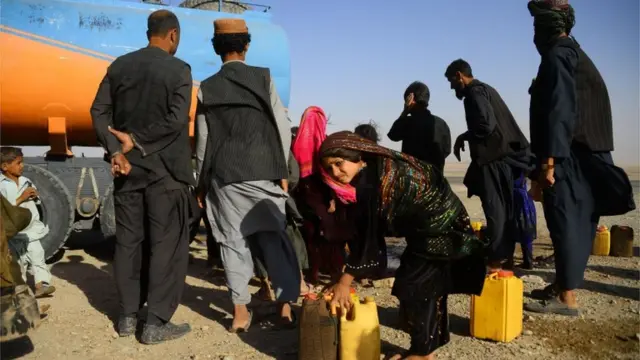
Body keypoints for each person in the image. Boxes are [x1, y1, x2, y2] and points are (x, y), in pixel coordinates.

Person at [320, 131, 487, 360]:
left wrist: (344, 280)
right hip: (436, 224)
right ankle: (426, 345)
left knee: (416, 286)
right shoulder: (374, 170)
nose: (336, 173)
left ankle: (421, 352)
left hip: (439, 227)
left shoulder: (371, 183)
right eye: (329, 169)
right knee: (425, 285)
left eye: (339, 164)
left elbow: (367, 238)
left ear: (358, 157)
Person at [525, 0, 636, 316]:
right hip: (584, 152)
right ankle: (564, 285)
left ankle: (567, 298)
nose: (534, 34)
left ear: (546, 27)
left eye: (536, 26)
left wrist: (548, 163)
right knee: (579, 220)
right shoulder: (576, 54)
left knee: (564, 220)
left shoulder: (558, 54)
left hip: (570, 155)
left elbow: (559, 110)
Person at [91, 10, 194, 344]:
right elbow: (178, 119)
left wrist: (116, 150)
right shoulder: (179, 69)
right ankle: (155, 323)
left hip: (126, 171)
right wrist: (138, 140)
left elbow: (98, 111)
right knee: (167, 246)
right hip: (166, 173)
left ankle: (126, 317)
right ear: (173, 35)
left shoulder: (119, 65)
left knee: (128, 243)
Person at [196, 18, 300, 332]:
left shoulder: (207, 87)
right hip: (264, 171)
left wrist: (200, 182)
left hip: (226, 175)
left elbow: (203, 139)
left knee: (231, 243)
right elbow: (282, 126)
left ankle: (240, 313)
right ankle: (284, 309)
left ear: (216, 49)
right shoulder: (263, 78)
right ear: (247, 45)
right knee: (275, 240)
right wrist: (281, 169)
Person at [444, 59, 532, 272]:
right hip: (503, 160)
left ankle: (495, 260)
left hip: (493, 161)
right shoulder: (487, 89)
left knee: (496, 210)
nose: (451, 87)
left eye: (451, 81)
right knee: (504, 209)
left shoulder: (474, 93)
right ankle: (504, 258)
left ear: (459, 75)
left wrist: (467, 136)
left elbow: (486, 125)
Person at [292, 106, 357, 284]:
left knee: (312, 236)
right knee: (330, 236)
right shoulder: (325, 145)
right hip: (320, 199)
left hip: (304, 198)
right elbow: (329, 177)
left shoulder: (295, 144)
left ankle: (315, 272)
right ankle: (332, 271)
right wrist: (333, 199)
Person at [0, 147, 55, 298]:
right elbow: (5, 210)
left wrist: (33, 196)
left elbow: (36, 201)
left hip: (31, 231)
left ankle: (41, 285)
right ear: (5, 166)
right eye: (18, 163)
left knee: (38, 256)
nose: (22, 166)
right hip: (15, 233)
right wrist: (21, 198)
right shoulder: (1, 185)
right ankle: (21, 293)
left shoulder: (26, 181)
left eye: (22, 162)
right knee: (18, 264)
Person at [388, 81, 452, 172]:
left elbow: (392, 135)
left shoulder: (408, 122)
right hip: (435, 179)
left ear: (411, 99)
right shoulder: (442, 124)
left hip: (414, 178)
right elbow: (446, 150)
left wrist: (404, 112)